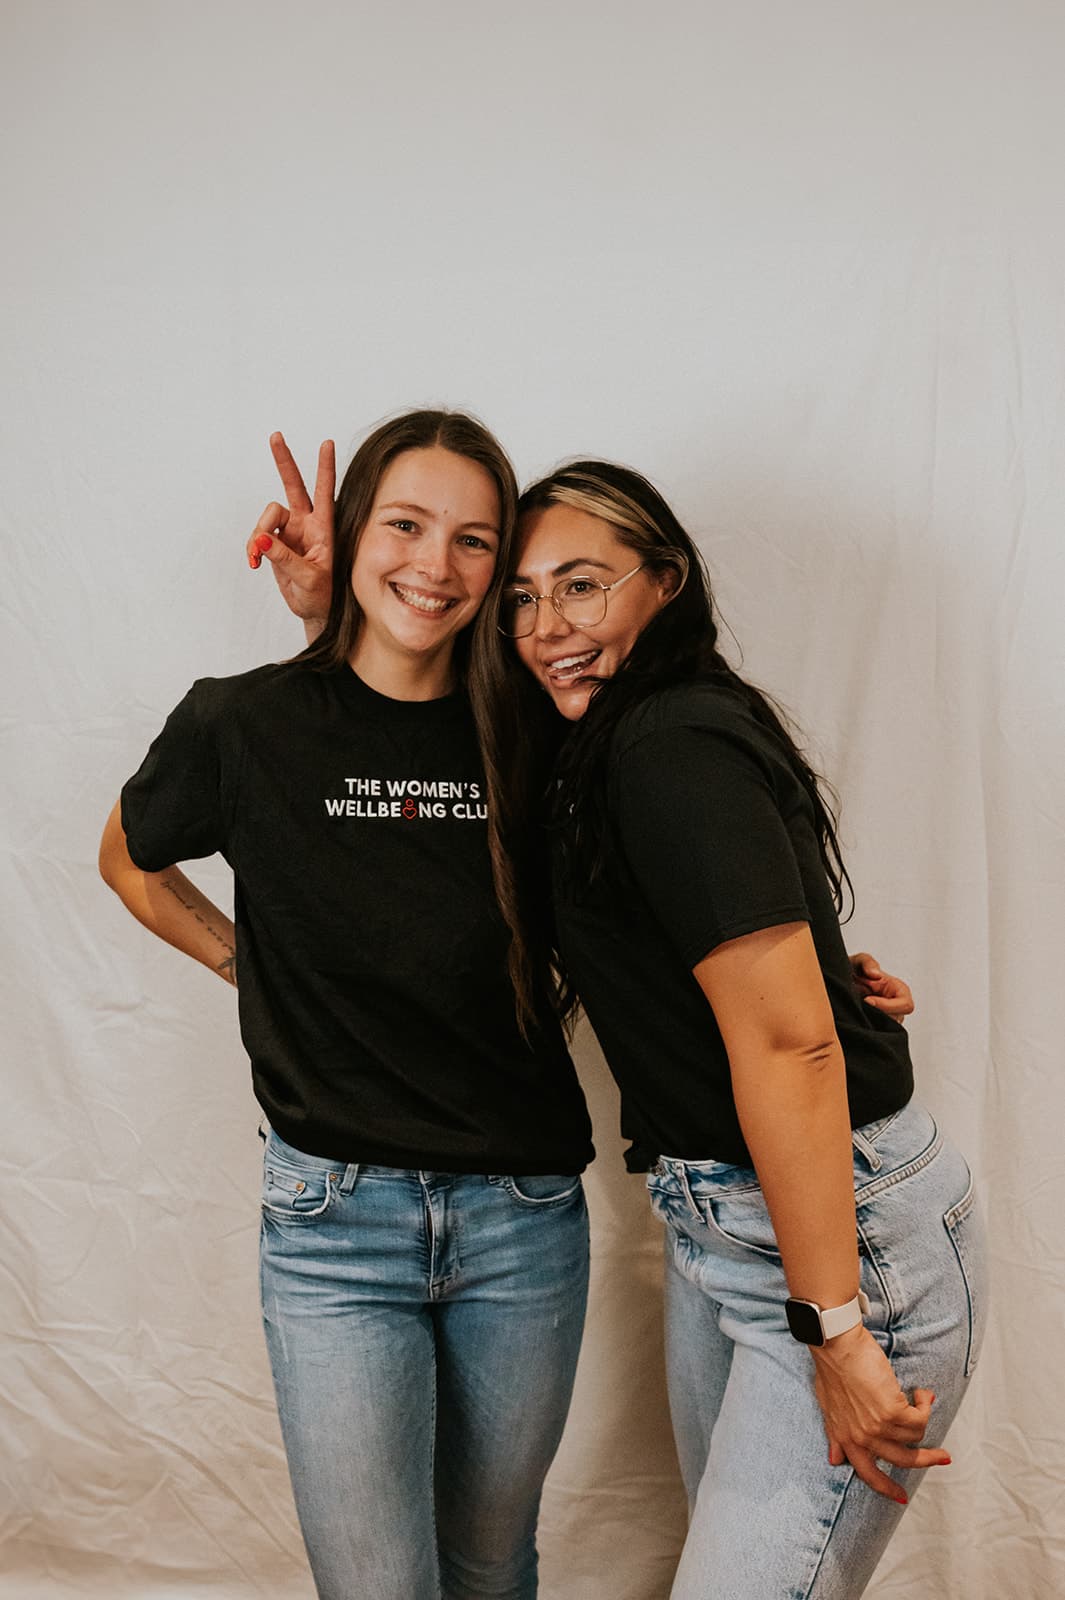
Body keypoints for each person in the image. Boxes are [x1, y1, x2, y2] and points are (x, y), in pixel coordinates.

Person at [98, 410, 596, 1600]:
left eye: (476, 541)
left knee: (489, 1563)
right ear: (356, 526)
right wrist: (244, 963)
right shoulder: (244, 722)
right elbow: (129, 859)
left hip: (523, 1218)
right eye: (406, 524)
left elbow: (654, 885)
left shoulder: (533, 727)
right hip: (334, 1226)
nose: (436, 564)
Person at [478, 459, 987, 1600]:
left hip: (840, 1247)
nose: (545, 625)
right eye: (522, 597)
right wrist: (820, 974)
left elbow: (792, 1047)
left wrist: (838, 1328)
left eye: (581, 586)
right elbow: (714, 955)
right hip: (731, 1231)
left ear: (663, 583)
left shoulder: (667, 742)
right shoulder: (603, 743)